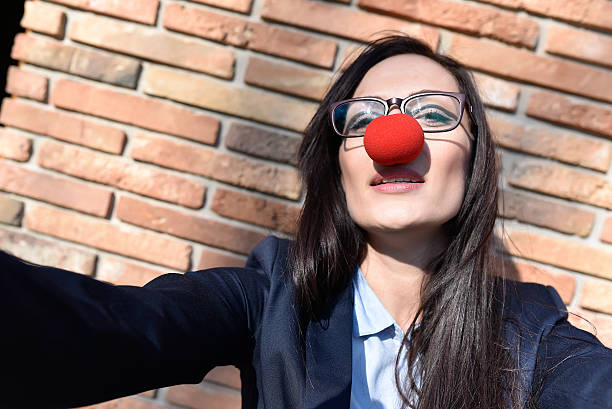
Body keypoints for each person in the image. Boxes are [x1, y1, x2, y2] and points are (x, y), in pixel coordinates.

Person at [1, 35, 610, 409]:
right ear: (337, 165)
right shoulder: (269, 300)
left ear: (475, 161)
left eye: (431, 112)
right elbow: (100, 329)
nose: (390, 138)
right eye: (362, 118)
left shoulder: (538, 338)